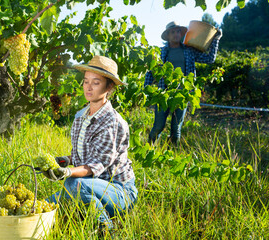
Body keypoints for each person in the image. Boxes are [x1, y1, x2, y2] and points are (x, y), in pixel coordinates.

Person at [42, 55, 138, 231]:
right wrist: (65, 160)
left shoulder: (112, 122)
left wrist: (68, 172)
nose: (88, 87)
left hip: (118, 191)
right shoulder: (81, 116)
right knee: (43, 205)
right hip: (92, 185)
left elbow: (97, 164)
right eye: (86, 81)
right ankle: (88, 208)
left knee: (73, 184)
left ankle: (107, 230)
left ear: (109, 87)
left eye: (96, 82)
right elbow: (83, 154)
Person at [144, 21, 222, 145]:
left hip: (182, 95)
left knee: (176, 129)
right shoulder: (160, 52)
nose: (176, 34)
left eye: (178, 31)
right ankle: (148, 150)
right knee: (158, 127)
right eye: (173, 32)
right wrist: (147, 93)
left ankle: (173, 154)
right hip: (163, 95)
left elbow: (210, 59)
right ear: (168, 36)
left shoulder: (189, 50)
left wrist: (216, 39)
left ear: (181, 34)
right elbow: (150, 72)